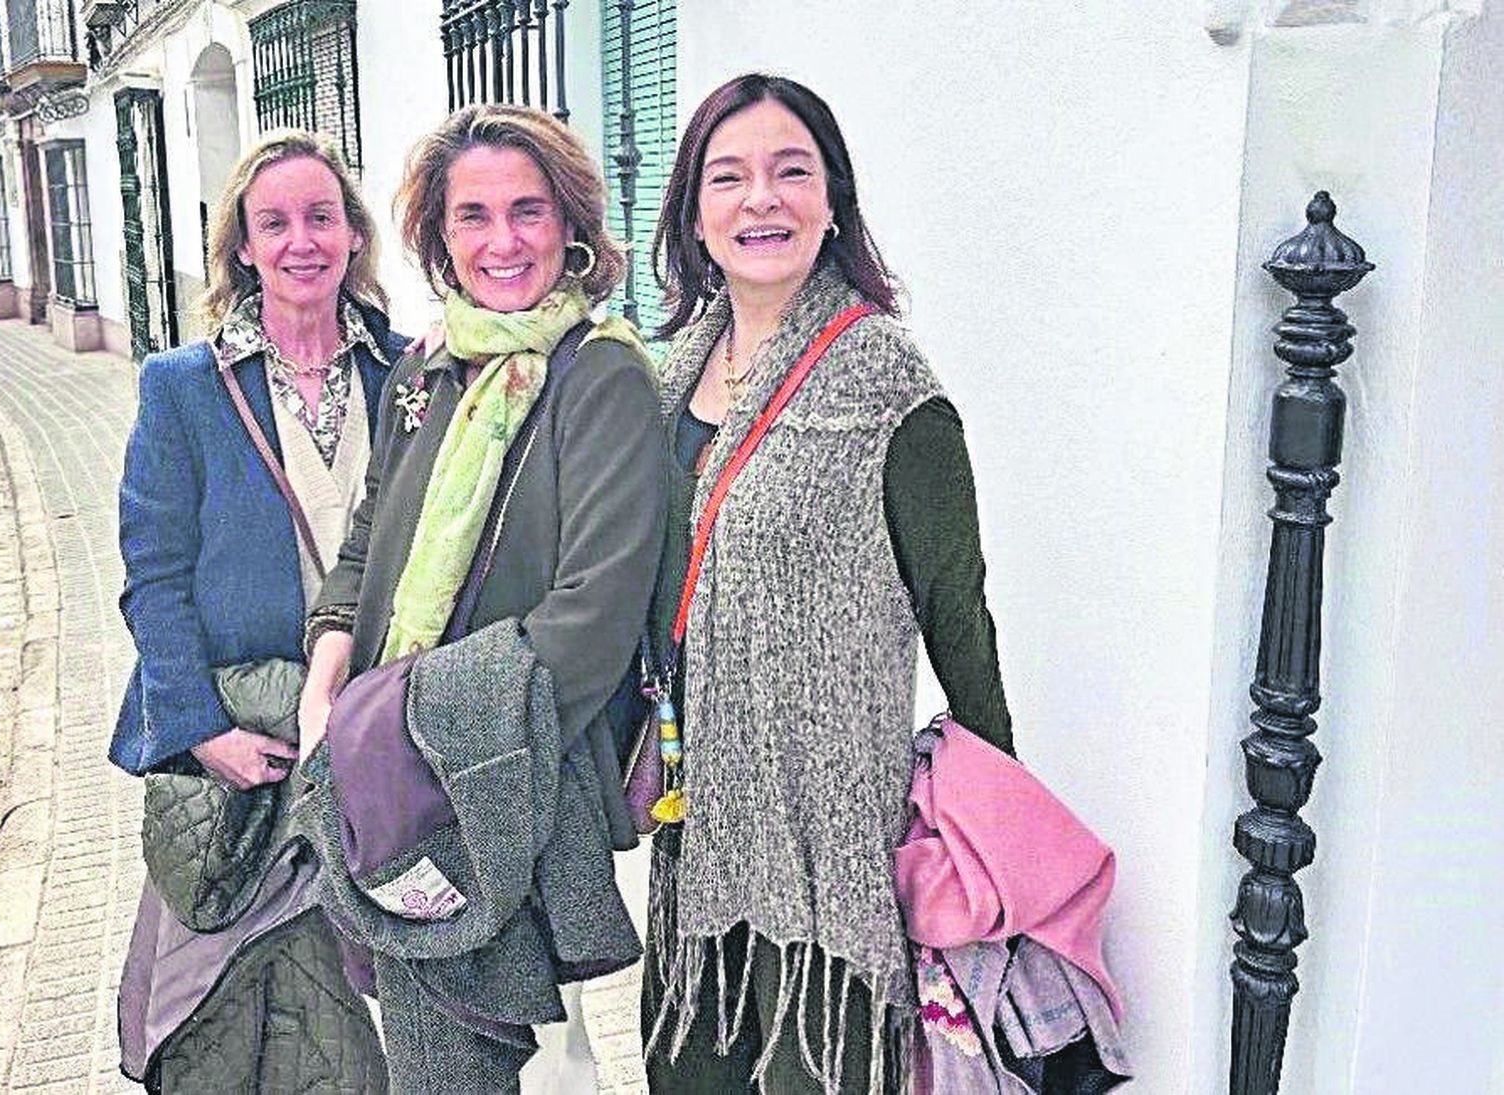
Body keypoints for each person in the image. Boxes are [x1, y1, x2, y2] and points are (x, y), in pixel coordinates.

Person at [639, 74, 1016, 1094]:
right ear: (694, 213)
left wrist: (992, 833)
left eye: (789, 171)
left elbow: (955, 613)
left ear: (833, 199)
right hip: (696, 841)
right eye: (729, 177)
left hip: (830, 861)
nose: (760, 198)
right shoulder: (666, 374)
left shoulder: (890, 386)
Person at [298, 103, 664, 1092]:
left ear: (571, 227)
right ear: (438, 237)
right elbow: (371, 540)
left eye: (527, 212)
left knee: (533, 1064)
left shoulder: (603, 378)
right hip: (397, 783)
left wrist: (408, 724)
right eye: (473, 217)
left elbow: (595, 614)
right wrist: (332, 656)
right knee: (431, 1052)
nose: (502, 241)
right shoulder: (423, 371)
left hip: (518, 779)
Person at [110, 130, 403, 1090]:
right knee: (226, 1012)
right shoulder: (184, 387)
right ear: (241, 246)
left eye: (322, 217)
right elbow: (153, 577)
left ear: (354, 236)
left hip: (369, 742)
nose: (300, 241)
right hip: (245, 750)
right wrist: (201, 733)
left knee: (364, 1007)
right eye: (273, 223)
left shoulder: (409, 377)